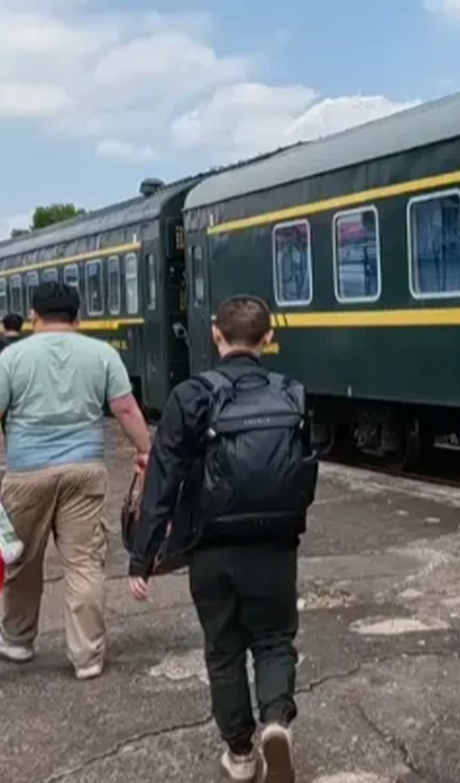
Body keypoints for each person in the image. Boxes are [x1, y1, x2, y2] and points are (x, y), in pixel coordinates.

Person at [128, 295, 317, 783]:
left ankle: (240, 753)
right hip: (276, 544)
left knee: (224, 648)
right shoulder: (291, 392)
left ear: (215, 334)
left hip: (211, 546)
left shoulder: (191, 396)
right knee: (275, 640)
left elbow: (161, 480)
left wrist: (142, 556)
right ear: (268, 339)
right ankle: (276, 721)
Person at [0, 280, 150, 681]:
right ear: (78, 317)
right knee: (84, 563)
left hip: (27, 472)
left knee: (20, 559)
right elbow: (125, 408)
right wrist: (144, 450)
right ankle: (88, 656)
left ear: (33, 317)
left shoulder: (13, 357)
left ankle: (18, 639)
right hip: (84, 471)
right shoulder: (101, 354)